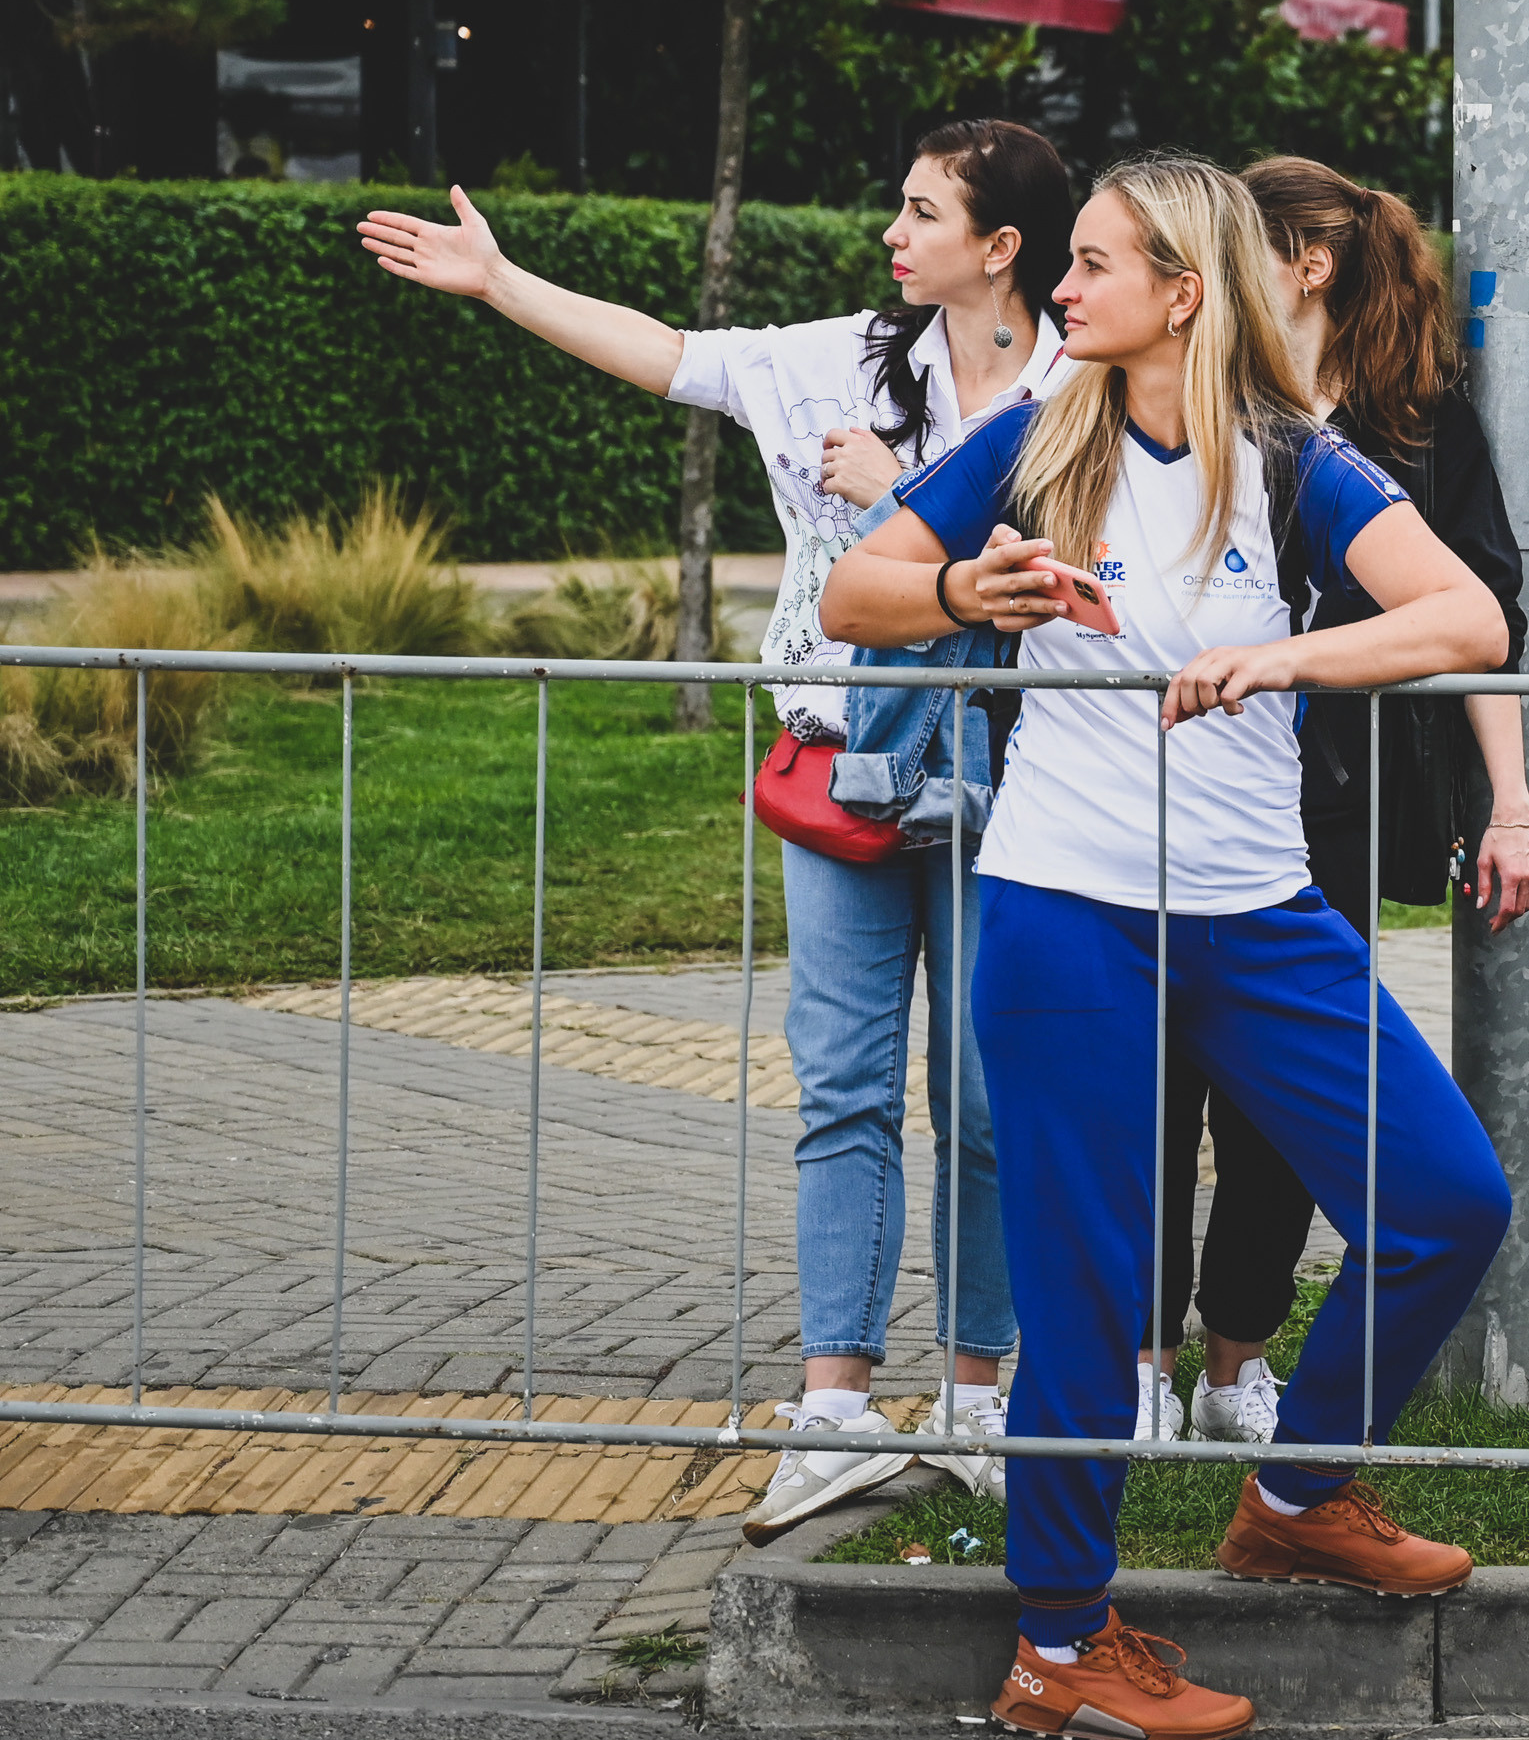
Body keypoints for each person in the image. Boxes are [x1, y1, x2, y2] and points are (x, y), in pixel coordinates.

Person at [821, 152, 1514, 1740]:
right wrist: (964, 588)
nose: (1062, 289)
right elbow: (858, 594)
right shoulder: (1037, 439)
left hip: (1259, 915)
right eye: (1065, 262)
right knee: (1085, 1294)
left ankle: (1298, 1496)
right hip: (1064, 913)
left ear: (1183, 294)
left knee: (1444, 1202)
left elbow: (1470, 619)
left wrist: (1291, 659)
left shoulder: (1295, 460)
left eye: (1094, 264)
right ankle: (1061, 1643)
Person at [356, 120, 1078, 1536]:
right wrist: (501, 281)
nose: (893, 233)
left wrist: (898, 498)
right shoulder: (844, 359)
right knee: (843, 1087)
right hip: (841, 767)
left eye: (922, 212)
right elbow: (673, 354)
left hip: (1018, 775)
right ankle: (835, 1410)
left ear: (1000, 247)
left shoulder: (1081, 387)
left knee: (990, 1100)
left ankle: (979, 1403)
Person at [1133, 155, 1529, 1448]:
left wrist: (1512, 806)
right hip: (1184, 791)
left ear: (1308, 264)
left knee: (1281, 1106)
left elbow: (1488, 620)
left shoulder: (1414, 422)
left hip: (1336, 806)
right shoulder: (1199, 401)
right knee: (1153, 1090)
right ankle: (1141, 1361)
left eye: (1237, 248)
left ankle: (1236, 1365)